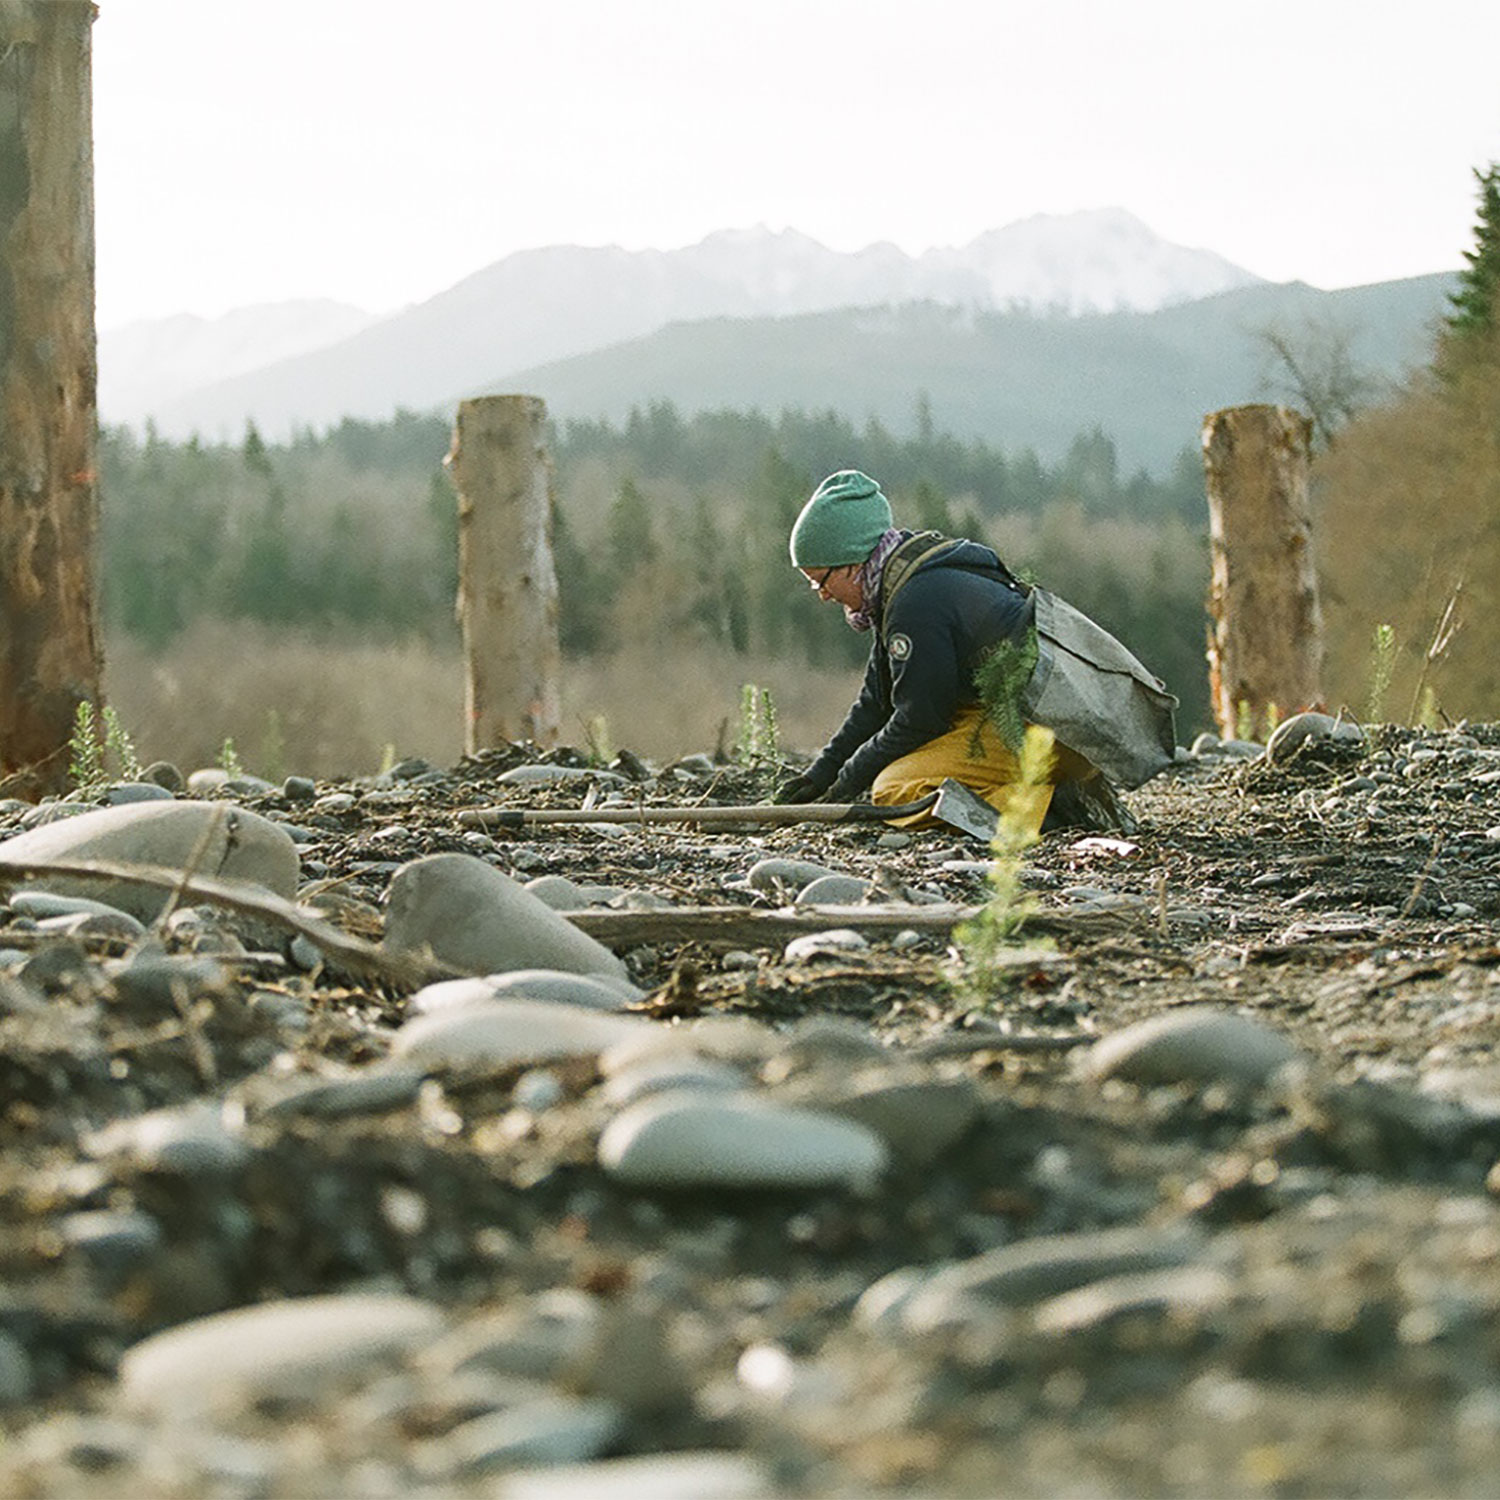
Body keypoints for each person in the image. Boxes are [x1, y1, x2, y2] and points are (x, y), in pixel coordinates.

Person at [774, 469, 1175, 834]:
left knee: (895, 789)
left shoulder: (916, 603)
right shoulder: (906, 579)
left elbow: (920, 718)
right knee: (908, 760)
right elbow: (876, 702)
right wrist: (819, 777)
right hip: (1051, 724)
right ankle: (1054, 791)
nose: (822, 595)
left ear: (850, 563)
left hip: (1052, 731)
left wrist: (848, 783)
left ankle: (1050, 811)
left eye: (819, 581)